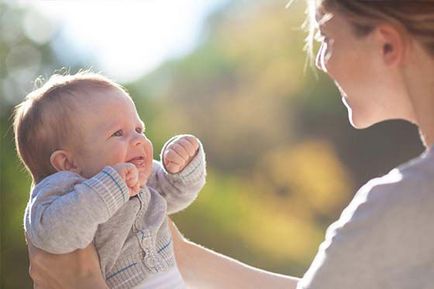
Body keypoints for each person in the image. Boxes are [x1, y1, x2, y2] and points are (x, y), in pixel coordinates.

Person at [26, 0, 434, 288]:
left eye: (326, 39)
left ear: (386, 44)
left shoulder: (401, 208)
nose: (321, 60)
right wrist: (180, 255)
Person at [13, 72, 207, 289]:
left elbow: (176, 195)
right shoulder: (62, 190)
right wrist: (111, 188)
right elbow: (51, 234)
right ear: (68, 163)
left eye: (138, 129)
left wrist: (183, 167)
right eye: (118, 133)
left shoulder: (140, 172)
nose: (139, 140)